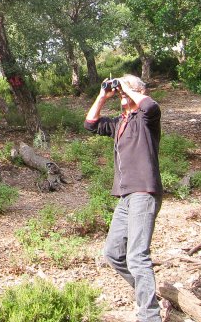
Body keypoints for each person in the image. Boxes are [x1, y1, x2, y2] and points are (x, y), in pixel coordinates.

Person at [85, 74, 164, 322]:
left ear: (138, 91)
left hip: (144, 191)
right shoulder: (120, 122)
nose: (121, 94)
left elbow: (150, 105)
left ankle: (149, 316)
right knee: (113, 253)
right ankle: (147, 294)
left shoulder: (146, 118)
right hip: (125, 195)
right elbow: (90, 123)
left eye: (126, 91)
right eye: (120, 92)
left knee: (137, 255)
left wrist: (128, 88)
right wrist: (102, 95)